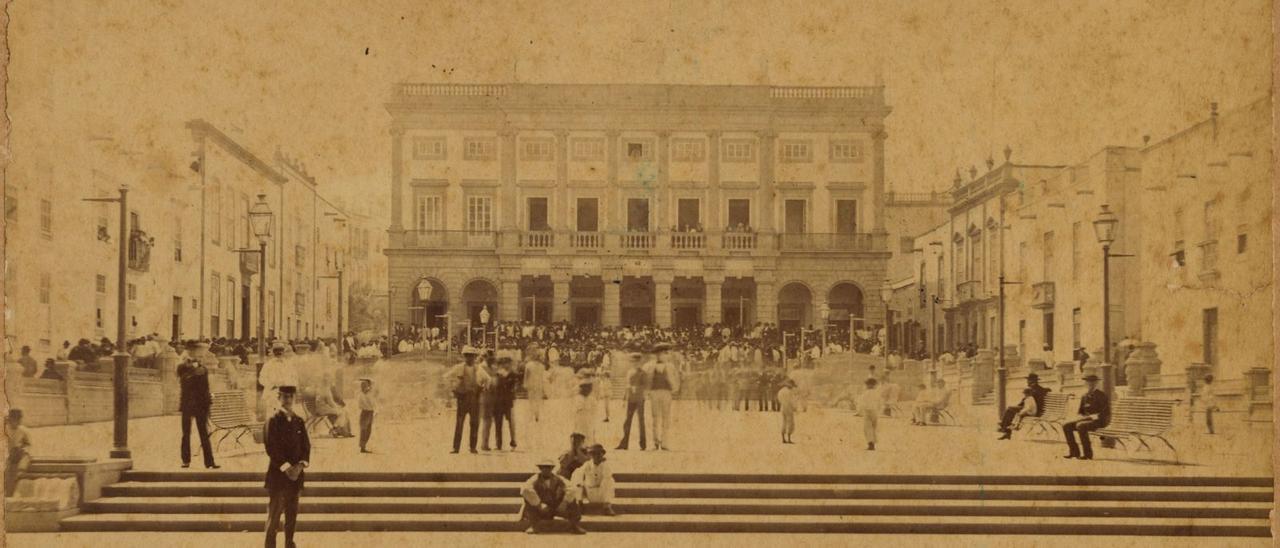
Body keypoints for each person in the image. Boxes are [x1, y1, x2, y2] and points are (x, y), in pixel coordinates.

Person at [263, 385, 311, 548]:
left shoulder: (299, 421)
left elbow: (306, 446)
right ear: (278, 398)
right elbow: (271, 447)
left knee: (292, 515)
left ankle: (289, 544)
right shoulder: (273, 420)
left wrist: (300, 466)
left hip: (296, 476)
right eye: (284, 397)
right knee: (275, 516)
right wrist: (287, 468)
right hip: (278, 476)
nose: (287, 400)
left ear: (294, 398)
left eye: (290, 397)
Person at [519, 458, 585, 535]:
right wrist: (539, 504)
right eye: (544, 467)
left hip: (557, 507)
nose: (546, 470)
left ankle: (574, 526)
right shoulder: (535, 479)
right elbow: (525, 489)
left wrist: (564, 502)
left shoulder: (558, 478)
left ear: (552, 468)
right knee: (528, 500)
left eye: (549, 467)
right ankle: (534, 526)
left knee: (572, 500)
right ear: (540, 468)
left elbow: (571, 488)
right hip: (541, 509)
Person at [177, 358, 219, 469]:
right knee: (187, 434)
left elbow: (205, 390)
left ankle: (209, 462)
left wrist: (207, 404)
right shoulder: (184, 371)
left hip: (199, 406)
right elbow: (183, 375)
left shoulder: (202, 371)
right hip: (189, 405)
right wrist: (192, 368)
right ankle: (187, 460)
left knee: (202, 434)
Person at [1063, 374, 1110, 460]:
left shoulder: (1101, 395)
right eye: (1088, 383)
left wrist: (1087, 418)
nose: (1090, 385)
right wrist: (1080, 417)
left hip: (1100, 421)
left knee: (1081, 426)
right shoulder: (1084, 396)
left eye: (1092, 383)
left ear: (1096, 384)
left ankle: (1087, 454)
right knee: (1066, 426)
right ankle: (1074, 452)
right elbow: (1081, 411)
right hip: (1085, 420)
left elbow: (1104, 413)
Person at [647, 343, 680, 451]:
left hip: (666, 393)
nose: (661, 356)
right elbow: (646, 378)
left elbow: (676, 378)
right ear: (656, 354)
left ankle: (665, 443)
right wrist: (648, 391)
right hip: (654, 392)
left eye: (663, 353)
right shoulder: (650, 366)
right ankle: (655, 442)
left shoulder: (670, 366)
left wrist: (675, 389)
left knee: (666, 418)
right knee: (655, 418)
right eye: (659, 354)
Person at [615, 345, 649, 450]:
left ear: (639, 362)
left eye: (636, 361)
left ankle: (643, 444)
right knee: (627, 421)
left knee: (641, 422)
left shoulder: (643, 373)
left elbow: (645, 386)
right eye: (632, 361)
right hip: (630, 399)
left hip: (639, 399)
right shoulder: (629, 372)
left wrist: (637, 389)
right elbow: (627, 385)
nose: (634, 363)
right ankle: (624, 444)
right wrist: (624, 399)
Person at [997, 373, 1050, 440]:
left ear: (1032, 381)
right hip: (1030, 408)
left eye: (1028, 380)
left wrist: (1018, 406)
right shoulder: (1036, 388)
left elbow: (1027, 401)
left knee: (1010, 409)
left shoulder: (1034, 390)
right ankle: (1005, 430)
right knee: (1011, 410)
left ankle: (1004, 428)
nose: (1027, 382)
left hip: (1032, 410)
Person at [570, 444, 616, 516]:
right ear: (591, 455)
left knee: (610, 481)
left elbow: (607, 477)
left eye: (599, 453)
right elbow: (576, 474)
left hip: (602, 495)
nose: (597, 456)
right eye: (594, 454)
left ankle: (607, 507)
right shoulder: (587, 465)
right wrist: (580, 483)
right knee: (577, 478)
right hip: (590, 493)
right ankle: (579, 504)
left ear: (602, 454)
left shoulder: (606, 465)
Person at [491, 357, 519, 450]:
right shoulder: (496, 374)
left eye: (506, 363)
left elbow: (513, 386)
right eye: (502, 363)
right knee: (498, 423)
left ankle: (513, 441)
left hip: (507, 401)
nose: (505, 365)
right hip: (498, 402)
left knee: (511, 422)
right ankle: (498, 444)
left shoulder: (512, 375)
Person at [5, 409, 32, 496]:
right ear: (10, 420)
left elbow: (28, 445)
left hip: (18, 454)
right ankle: (8, 494)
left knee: (26, 457)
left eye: (18, 419)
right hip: (7, 456)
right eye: (14, 420)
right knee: (8, 470)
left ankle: (21, 471)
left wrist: (22, 449)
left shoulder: (22, 431)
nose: (16, 422)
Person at [572, 371, 598, 446]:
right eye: (585, 388)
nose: (588, 390)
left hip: (589, 418)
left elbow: (594, 410)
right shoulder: (578, 398)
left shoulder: (591, 398)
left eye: (589, 388)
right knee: (581, 432)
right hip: (581, 418)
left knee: (589, 432)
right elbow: (576, 410)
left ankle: (588, 446)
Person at [523, 344, 547, 423]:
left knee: (532, 400)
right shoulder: (542, 366)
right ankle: (536, 414)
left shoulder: (528, 365)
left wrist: (525, 384)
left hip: (531, 384)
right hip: (538, 384)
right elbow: (543, 377)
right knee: (537, 400)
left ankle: (533, 414)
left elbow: (526, 376)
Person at [857, 377, 883, 450]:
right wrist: (879, 410)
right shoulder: (877, 393)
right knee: (873, 427)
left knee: (867, 428)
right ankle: (873, 443)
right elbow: (880, 403)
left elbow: (861, 404)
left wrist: (860, 411)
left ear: (867, 385)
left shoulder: (865, 393)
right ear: (875, 385)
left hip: (867, 411)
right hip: (875, 412)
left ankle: (870, 444)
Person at [357, 376, 376, 453]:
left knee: (367, 430)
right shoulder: (363, 394)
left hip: (369, 412)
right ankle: (362, 447)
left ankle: (363, 446)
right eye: (363, 386)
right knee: (364, 430)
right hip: (366, 412)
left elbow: (373, 383)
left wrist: (367, 380)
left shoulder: (367, 393)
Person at [777, 377, 797, 444]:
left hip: (783, 407)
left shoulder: (781, 391)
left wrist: (782, 403)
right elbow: (792, 401)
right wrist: (794, 407)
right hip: (789, 408)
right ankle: (788, 438)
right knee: (790, 422)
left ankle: (783, 438)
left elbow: (779, 398)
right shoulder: (790, 392)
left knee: (784, 422)